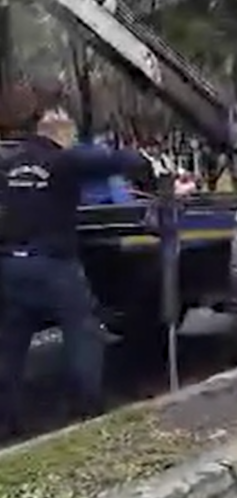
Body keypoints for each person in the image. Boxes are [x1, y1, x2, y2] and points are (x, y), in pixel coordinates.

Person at [0, 107, 152, 437]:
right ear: (63, 134)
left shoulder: (10, 163)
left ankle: (6, 420)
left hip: (11, 263)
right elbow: (116, 163)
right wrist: (140, 158)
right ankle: (87, 408)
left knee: (10, 345)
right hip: (54, 265)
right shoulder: (65, 161)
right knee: (82, 332)